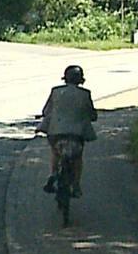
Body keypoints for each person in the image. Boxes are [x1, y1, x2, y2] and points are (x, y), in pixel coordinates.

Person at [37, 64, 97, 196]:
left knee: (55, 152)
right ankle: (76, 185)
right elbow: (92, 115)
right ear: (81, 79)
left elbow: (46, 111)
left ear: (65, 78)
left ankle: (53, 174)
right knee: (78, 157)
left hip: (56, 132)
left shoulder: (56, 91)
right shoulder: (85, 94)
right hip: (76, 134)